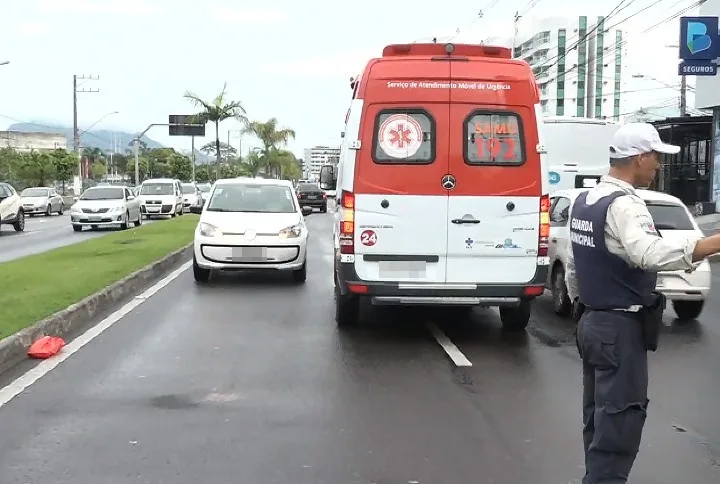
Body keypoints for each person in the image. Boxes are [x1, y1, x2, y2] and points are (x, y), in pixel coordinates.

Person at [565, 122, 720, 483]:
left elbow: (575, 265)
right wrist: (713, 243)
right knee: (619, 424)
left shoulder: (587, 200)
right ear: (640, 157)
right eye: (656, 159)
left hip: (592, 322)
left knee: (598, 421)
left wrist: (583, 309)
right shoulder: (625, 205)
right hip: (618, 328)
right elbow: (648, 254)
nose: (659, 167)